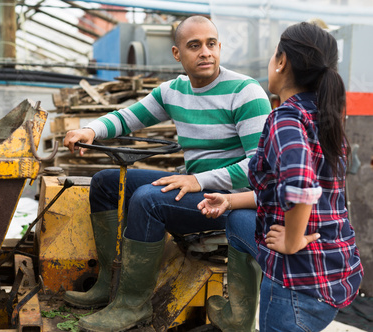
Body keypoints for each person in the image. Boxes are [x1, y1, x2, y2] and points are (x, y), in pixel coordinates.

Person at [63, 15, 272, 332]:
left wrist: (197, 180)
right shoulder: (174, 91)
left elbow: (259, 168)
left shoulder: (245, 92)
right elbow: (127, 117)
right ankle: (110, 283)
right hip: (193, 188)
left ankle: (133, 305)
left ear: (219, 47)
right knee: (105, 183)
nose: (205, 52)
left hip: (228, 200)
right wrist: (90, 130)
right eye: (194, 45)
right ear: (177, 54)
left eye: (211, 44)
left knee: (149, 200)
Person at [198, 22, 364, 332]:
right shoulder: (325, 117)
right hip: (337, 271)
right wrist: (231, 200)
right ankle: (237, 317)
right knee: (237, 221)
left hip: (297, 285)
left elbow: (301, 185)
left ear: (281, 61)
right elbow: (294, 188)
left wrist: (291, 239)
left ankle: (238, 317)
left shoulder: (284, 119)